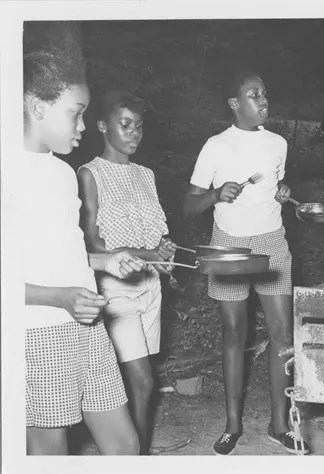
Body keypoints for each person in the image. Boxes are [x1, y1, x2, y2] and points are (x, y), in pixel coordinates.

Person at [22, 47, 146, 455]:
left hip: (88, 327)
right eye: (74, 113)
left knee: (125, 445)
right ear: (37, 107)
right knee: (49, 450)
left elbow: (68, 254)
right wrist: (58, 298)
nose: (82, 125)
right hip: (39, 332)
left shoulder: (61, 172)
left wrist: (106, 260)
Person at [183, 72, 310, 455]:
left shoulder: (278, 143)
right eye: (254, 95)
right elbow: (190, 204)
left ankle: (279, 423)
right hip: (229, 246)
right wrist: (216, 194)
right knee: (234, 334)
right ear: (235, 104)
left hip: (272, 240)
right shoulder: (215, 146)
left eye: (265, 94)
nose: (264, 101)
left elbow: (276, 189)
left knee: (283, 336)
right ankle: (232, 425)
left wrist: (285, 192)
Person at [77, 90, 177, 454]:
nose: (134, 133)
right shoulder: (90, 174)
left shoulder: (146, 175)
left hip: (151, 286)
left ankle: (133, 450)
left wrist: (165, 249)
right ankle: (135, 455)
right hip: (116, 289)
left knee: (141, 377)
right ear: (103, 126)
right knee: (143, 379)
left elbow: (158, 231)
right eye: (125, 125)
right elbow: (94, 245)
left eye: (138, 126)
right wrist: (148, 251)